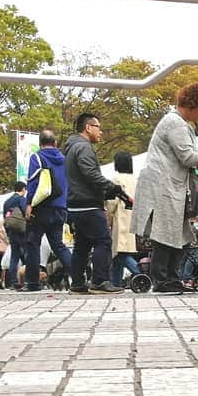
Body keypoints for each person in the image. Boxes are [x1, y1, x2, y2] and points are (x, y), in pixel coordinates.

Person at [132, 83, 198, 294]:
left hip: (168, 184)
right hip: (163, 185)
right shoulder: (175, 124)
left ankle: (171, 276)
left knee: (179, 233)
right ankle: (162, 279)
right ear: (193, 104)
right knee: (166, 232)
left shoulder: (177, 122)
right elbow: (188, 157)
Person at [64, 113, 125, 294]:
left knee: (82, 245)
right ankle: (99, 281)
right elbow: (90, 173)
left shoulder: (71, 147)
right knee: (103, 241)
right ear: (88, 127)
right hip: (88, 203)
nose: (101, 132)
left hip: (75, 204)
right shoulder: (84, 147)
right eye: (99, 128)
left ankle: (77, 283)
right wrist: (111, 188)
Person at [23, 129, 75, 293]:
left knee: (33, 243)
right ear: (55, 143)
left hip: (41, 207)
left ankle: (32, 282)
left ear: (40, 144)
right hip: (60, 207)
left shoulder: (37, 157)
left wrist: (29, 203)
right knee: (58, 245)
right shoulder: (65, 160)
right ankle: (78, 276)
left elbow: (32, 183)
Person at [107, 151, 140, 289]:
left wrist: (108, 219)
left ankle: (140, 274)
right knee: (119, 254)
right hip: (132, 217)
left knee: (120, 254)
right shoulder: (135, 180)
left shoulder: (116, 179)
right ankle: (116, 283)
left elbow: (112, 202)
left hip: (119, 219)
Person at [2, 181, 29, 288]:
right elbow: (26, 212)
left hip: (11, 231)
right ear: (23, 189)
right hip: (22, 230)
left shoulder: (7, 202)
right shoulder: (21, 199)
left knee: (14, 256)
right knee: (28, 254)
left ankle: (13, 282)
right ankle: (28, 279)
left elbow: (5, 217)